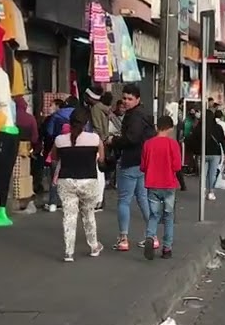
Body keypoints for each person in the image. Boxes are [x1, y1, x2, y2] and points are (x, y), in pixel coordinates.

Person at [55, 106, 104, 262]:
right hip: (88, 181)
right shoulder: (95, 139)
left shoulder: (59, 140)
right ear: (86, 122)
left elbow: (54, 157)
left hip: (66, 181)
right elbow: (102, 159)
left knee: (69, 216)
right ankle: (94, 246)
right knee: (88, 214)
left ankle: (68, 252)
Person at [110, 84, 154, 252]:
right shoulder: (145, 115)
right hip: (143, 162)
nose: (126, 102)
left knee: (124, 200)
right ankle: (152, 236)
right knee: (142, 198)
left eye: (130, 99)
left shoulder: (134, 116)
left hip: (130, 161)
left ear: (138, 99)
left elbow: (131, 138)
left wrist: (114, 141)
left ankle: (123, 238)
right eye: (124, 98)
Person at [141, 115, 182, 260]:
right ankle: (167, 248)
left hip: (152, 184)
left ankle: (150, 236)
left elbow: (143, 166)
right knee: (168, 216)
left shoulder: (148, 144)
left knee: (154, 214)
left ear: (157, 127)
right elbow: (177, 166)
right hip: (169, 184)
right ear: (170, 128)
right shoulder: (173, 144)